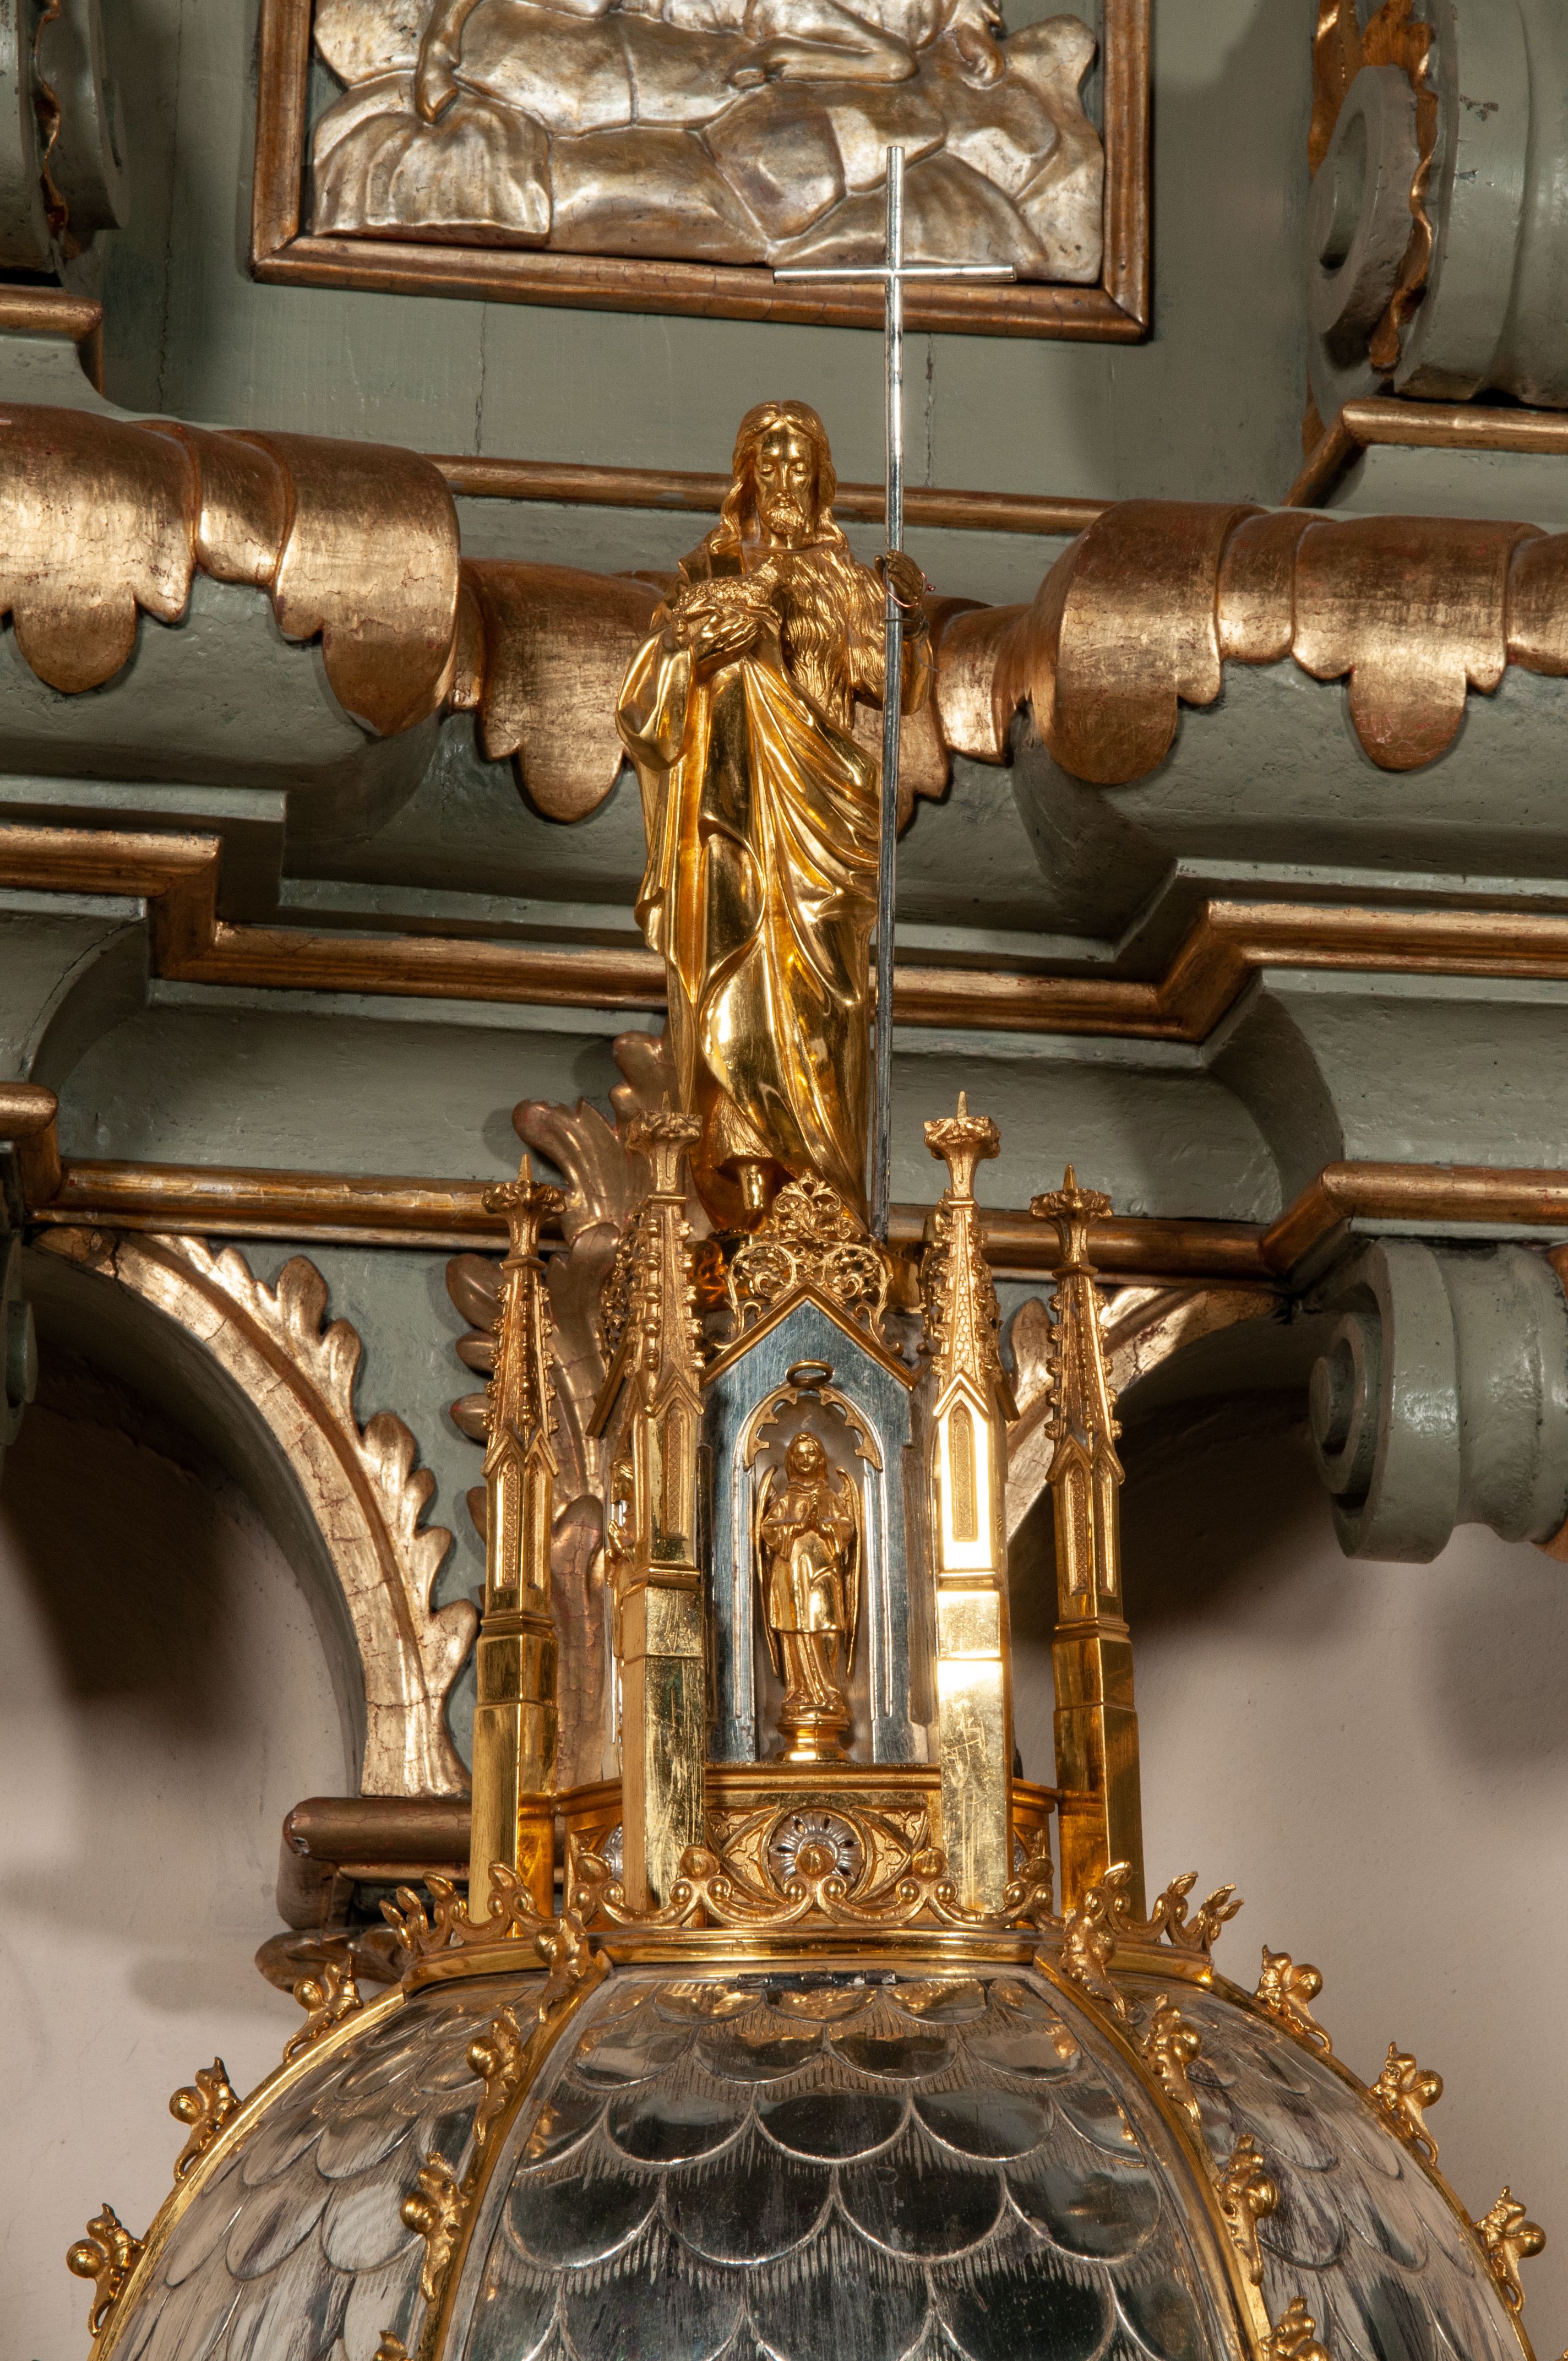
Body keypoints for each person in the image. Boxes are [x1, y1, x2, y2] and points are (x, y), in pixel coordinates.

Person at [617, 398, 930, 1230]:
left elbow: (891, 687)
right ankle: (751, 1182)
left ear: (820, 478)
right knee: (748, 980)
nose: (785, 479)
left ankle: (834, 1202)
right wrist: (712, 642)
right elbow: (658, 684)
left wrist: (908, 620)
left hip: (825, 806)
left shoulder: (847, 579)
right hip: (740, 815)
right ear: (747, 475)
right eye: (772, 462)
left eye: (800, 464)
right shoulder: (709, 569)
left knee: (834, 1000)